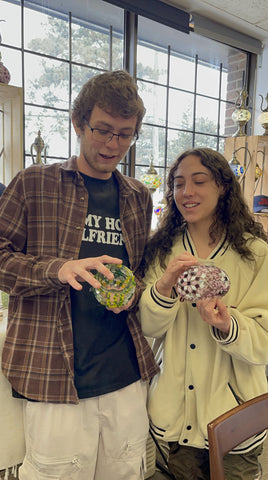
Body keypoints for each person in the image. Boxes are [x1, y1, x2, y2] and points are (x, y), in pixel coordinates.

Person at [0, 69, 158, 480]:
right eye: (103, 130)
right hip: (52, 372)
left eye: (125, 134)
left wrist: (133, 291)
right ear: (78, 122)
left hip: (125, 372)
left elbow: (138, 270)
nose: (112, 144)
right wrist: (58, 269)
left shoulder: (138, 195)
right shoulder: (33, 183)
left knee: (126, 472)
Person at [139, 147, 268, 480]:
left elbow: (264, 341)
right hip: (174, 414)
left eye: (199, 181)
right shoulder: (162, 249)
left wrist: (228, 324)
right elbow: (149, 328)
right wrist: (165, 287)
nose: (187, 192)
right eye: (179, 184)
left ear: (223, 186)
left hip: (233, 417)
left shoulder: (256, 252)